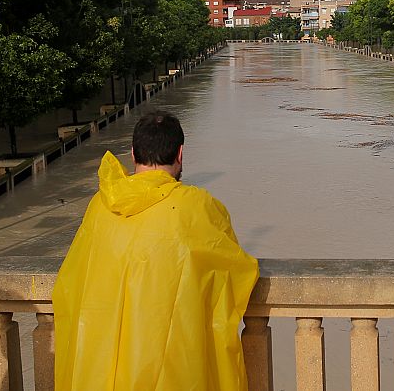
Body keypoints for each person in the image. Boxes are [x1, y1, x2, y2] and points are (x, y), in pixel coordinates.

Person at [53, 111, 259, 391]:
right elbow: (235, 270)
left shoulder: (100, 206)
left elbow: (70, 282)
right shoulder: (196, 207)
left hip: (102, 369)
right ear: (180, 154)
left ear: (133, 154)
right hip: (172, 365)